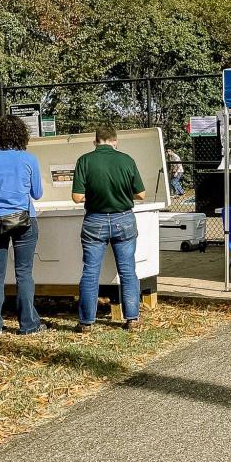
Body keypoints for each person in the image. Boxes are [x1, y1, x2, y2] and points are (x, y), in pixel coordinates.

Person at [0, 115, 47, 337]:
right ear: (22, 135)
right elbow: (37, 194)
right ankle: (28, 324)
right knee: (24, 273)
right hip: (24, 219)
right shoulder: (29, 159)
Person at [72, 125, 147, 332]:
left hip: (94, 221)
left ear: (95, 142)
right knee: (128, 271)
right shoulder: (126, 160)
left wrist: (93, 196)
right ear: (116, 141)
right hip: (124, 219)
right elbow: (141, 194)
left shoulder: (84, 161)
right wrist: (123, 194)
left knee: (90, 272)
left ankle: (86, 322)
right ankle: (132, 318)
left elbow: (77, 197)